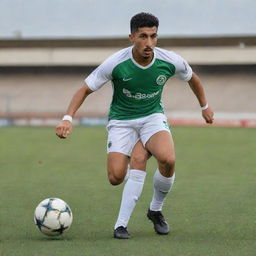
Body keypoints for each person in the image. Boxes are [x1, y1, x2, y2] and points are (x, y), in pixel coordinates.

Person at [56, 12, 214, 239]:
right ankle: (137, 166)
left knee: (167, 159)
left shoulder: (169, 60)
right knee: (116, 177)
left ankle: (151, 211)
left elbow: (193, 79)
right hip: (122, 122)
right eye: (143, 36)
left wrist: (205, 106)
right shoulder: (116, 63)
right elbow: (85, 89)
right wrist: (67, 118)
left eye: (153, 36)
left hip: (152, 117)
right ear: (131, 37)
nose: (149, 43)